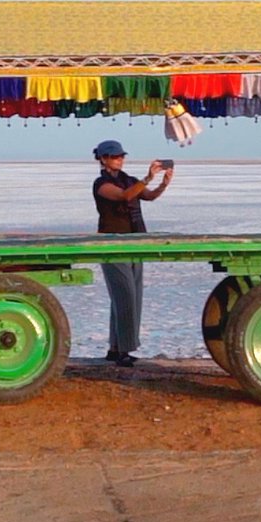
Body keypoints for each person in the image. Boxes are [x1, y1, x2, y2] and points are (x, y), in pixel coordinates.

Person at [91, 139, 172, 366]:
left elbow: (148, 196)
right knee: (124, 296)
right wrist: (148, 178)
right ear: (103, 159)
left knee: (131, 296)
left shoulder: (129, 180)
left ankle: (116, 348)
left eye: (121, 156)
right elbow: (125, 196)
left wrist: (163, 184)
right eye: (115, 156)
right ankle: (123, 350)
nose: (119, 160)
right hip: (112, 245)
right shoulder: (101, 184)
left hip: (135, 242)